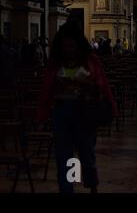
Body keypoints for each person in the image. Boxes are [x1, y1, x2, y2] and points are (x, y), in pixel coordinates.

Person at [37, 22, 117, 193]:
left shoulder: (90, 61)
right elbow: (47, 89)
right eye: (65, 46)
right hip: (61, 112)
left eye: (72, 45)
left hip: (84, 112)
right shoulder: (55, 62)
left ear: (79, 45)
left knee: (86, 153)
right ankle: (67, 189)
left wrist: (83, 83)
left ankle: (92, 184)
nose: (68, 49)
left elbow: (100, 88)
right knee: (64, 157)